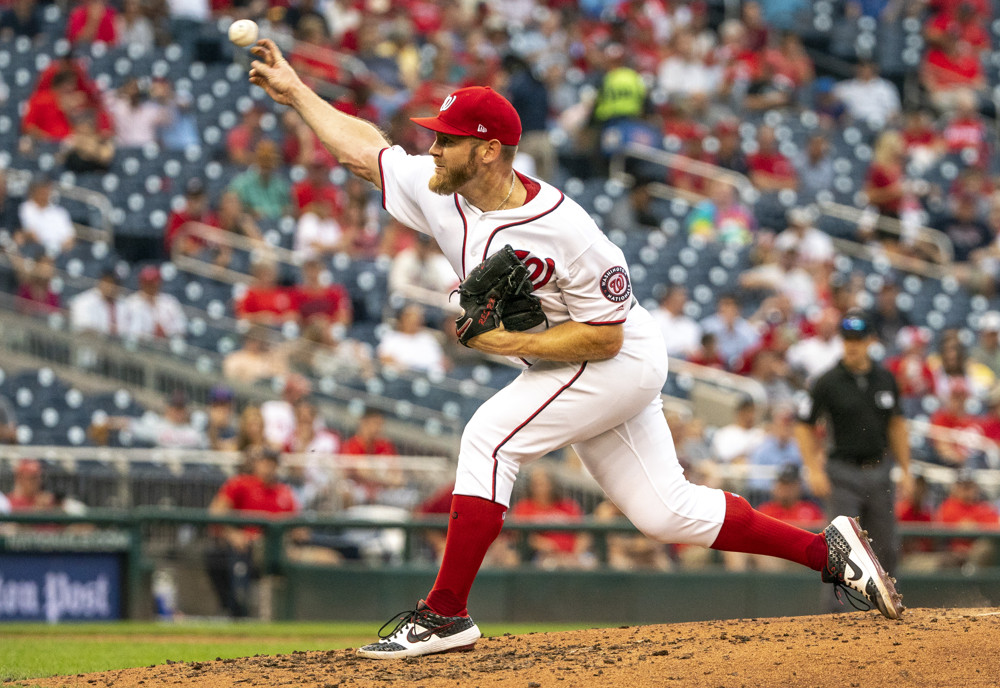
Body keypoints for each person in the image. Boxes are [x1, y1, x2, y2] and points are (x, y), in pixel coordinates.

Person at [248, 44, 905, 658]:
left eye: (447, 139)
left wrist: (506, 341)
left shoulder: (568, 230)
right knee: (666, 512)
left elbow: (605, 336)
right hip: (573, 364)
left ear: (488, 151)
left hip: (616, 357)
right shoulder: (439, 187)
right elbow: (368, 154)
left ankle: (446, 612)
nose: (433, 148)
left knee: (489, 439)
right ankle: (829, 553)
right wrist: (297, 90)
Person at [795, 310, 914, 590]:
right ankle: (837, 610)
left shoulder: (885, 379)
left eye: (858, 339)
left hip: (879, 470)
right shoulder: (827, 381)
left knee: (887, 546)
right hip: (842, 473)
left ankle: (889, 603)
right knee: (842, 547)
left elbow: (897, 426)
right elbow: (803, 425)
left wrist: (906, 470)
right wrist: (813, 469)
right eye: (848, 339)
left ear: (870, 340)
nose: (852, 345)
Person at [206, 448, 300, 617]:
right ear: (256, 464)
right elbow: (216, 512)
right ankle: (236, 612)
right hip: (244, 547)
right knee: (221, 555)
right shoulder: (240, 483)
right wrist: (232, 534)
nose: (268, 467)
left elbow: (299, 529)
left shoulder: (284, 492)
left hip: (277, 549)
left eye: (272, 463)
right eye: (264, 462)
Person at [119, 265, 187, 340]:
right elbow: (123, 330)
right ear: (141, 283)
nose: (150, 288)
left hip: (166, 343)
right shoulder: (131, 303)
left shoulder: (169, 302)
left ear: (159, 284)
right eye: (147, 284)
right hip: (140, 344)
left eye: (153, 284)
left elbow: (182, 327)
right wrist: (150, 332)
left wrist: (166, 331)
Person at [69, 269, 124, 335]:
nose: (111, 288)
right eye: (108, 283)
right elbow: (85, 328)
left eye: (114, 285)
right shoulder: (84, 302)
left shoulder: (122, 303)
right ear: (100, 282)